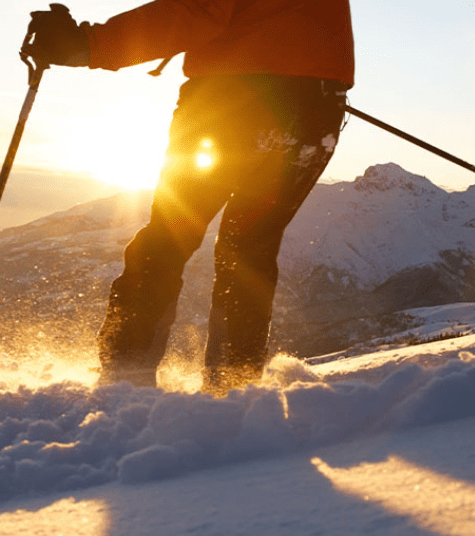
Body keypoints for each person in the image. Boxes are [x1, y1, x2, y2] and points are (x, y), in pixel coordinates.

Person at [24, 1, 355, 395]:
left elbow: (198, 9)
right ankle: (234, 386)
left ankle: (125, 380)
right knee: (250, 247)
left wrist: (87, 43)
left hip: (232, 100)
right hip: (316, 107)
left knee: (168, 237)